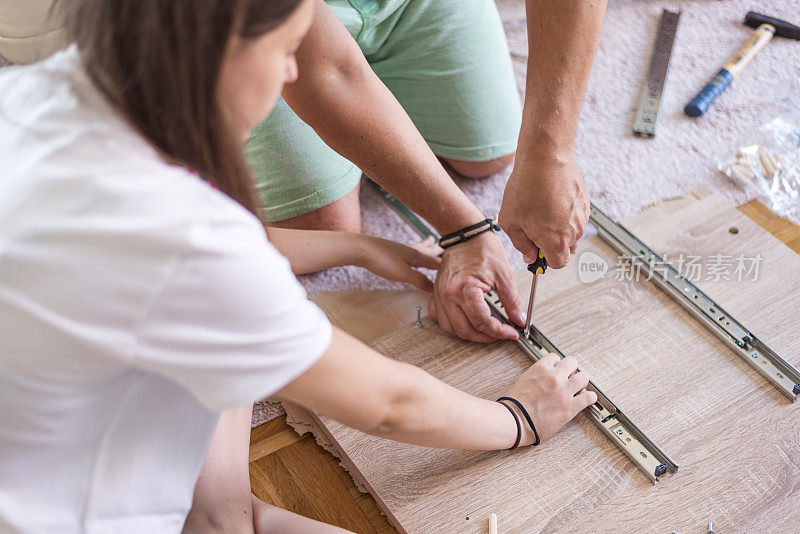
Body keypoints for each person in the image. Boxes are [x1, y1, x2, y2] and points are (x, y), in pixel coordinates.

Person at [0, 1, 596, 533]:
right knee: (223, 517)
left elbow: (226, 248)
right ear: (223, 51)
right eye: (286, 51)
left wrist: (361, 249)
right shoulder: (197, 250)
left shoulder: (38, 94)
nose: (292, 73)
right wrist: (519, 418)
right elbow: (388, 404)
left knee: (225, 500)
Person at [244, 0, 607, 342]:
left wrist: (549, 154)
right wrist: (464, 229)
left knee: (487, 157)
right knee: (321, 226)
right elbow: (330, 71)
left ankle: (381, 96)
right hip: (269, 16)